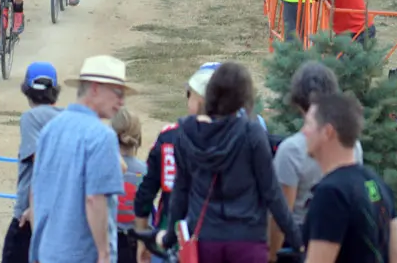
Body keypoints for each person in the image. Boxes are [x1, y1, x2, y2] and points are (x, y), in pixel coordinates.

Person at [156, 62, 302, 263]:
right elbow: (272, 193)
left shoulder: (187, 133)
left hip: (204, 240)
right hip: (247, 240)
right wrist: (296, 240)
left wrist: (170, 236)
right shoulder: (252, 134)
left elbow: (181, 191)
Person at [29, 55, 133, 263]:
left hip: (48, 252)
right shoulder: (102, 136)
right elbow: (94, 199)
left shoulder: (51, 129)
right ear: (95, 88)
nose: (121, 101)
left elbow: (35, 194)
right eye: (117, 92)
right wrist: (103, 253)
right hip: (82, 254)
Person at [269, 62, 363, 263]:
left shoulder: (291, 150)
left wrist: (270, 255)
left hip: (298, 246)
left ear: (297, 99)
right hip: (343, 240)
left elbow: (282, 216)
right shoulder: (352, 144)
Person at [301, 92, 397, 263]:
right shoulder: (377, 184)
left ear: (327, 132)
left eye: (309, 124)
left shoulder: (331, 194)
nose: (304, 131)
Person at [134, 63, 216, 263]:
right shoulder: (235, 140)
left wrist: (142, 238)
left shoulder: (168, 137)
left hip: (169, 239)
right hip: (215, 240)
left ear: (196, 100)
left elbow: (146, 193)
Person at [2, 62, 62, 263]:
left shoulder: (30, 118)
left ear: (26, 90)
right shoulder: (65, 117)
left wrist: (33, 207)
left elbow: (39, 163)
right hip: (60, 212)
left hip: (30, 214)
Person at [114, 107, 147, 263]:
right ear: (138, 138)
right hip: (135, 243)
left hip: (109, 243)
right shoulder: (145, 171)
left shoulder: (102, 166)